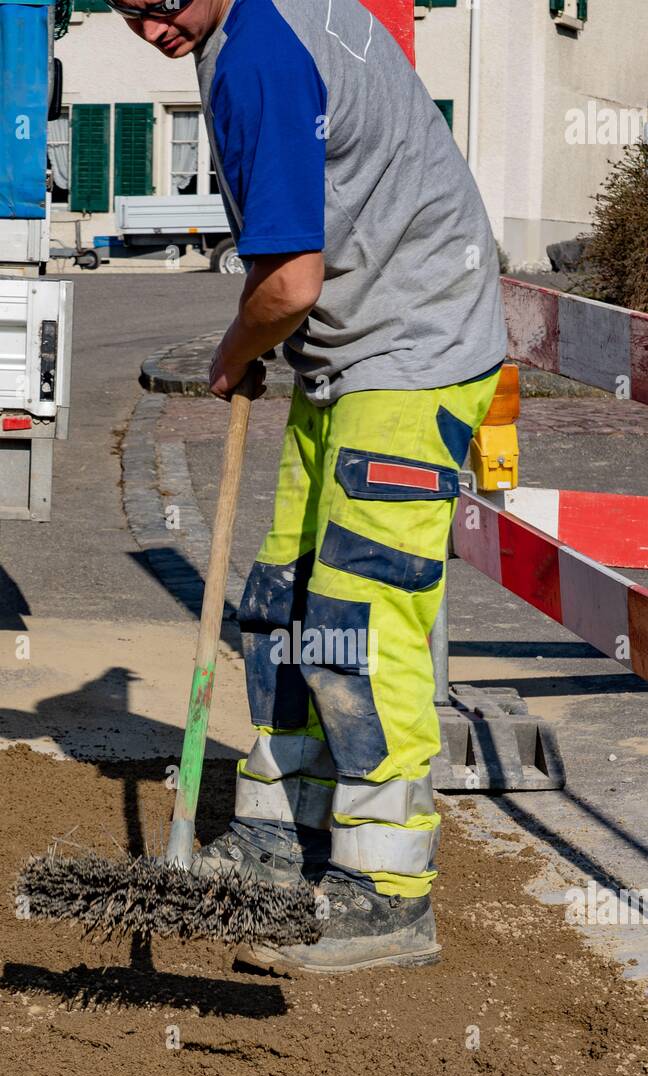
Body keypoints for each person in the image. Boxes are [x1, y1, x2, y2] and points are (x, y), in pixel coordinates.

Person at [109, 0, 507, 973]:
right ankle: (279, 834)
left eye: (161, 4)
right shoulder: (236, 31)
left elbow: (287, 282)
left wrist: (230, 357)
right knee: (284, 596)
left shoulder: (261, 59)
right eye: (128, 11)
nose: (154, 28)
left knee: (357, 613)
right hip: (346, 347)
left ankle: (386, 890)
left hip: (412, 344)